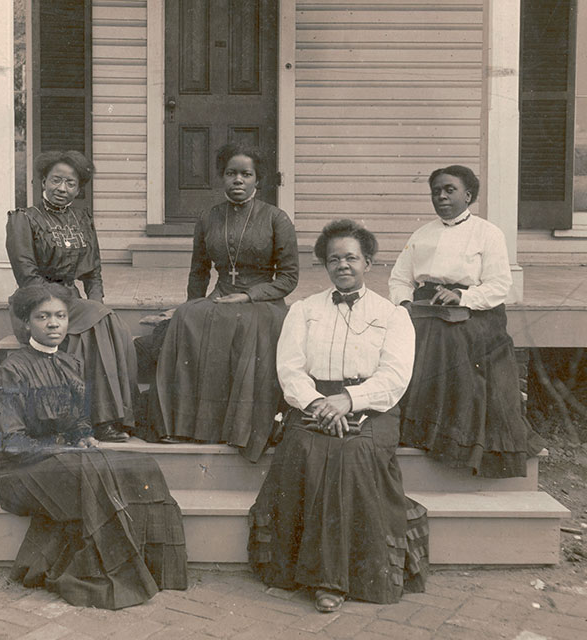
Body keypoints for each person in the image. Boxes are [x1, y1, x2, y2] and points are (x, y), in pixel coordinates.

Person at [249, 220, 428, 611]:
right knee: (305, 448)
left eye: (351, 257)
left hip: (372, 407)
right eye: (334, 259)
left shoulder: (393, 315)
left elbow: (395, 377)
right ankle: (297, 570)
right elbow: (290, 370)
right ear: (324, 266)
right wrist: (317, 404)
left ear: (369, 262)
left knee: (350, 455)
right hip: (313, 403)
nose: (342, 265)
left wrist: (348, 401)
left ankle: (334, 580)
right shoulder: (303, 310)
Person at [0, 283, 188, 609]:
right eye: (43, 317)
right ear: (27, 323)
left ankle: (156, 570)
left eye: (60, 316)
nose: (53, 323)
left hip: (66, 460)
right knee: (92, 475)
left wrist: (84, 436)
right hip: (23, 470)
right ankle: (114, 576)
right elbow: (14, 441)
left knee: (142, 467)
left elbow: (78, 421)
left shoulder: (72, 364)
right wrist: (66, 448)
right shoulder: (11, 370)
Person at [143, 143, 299, 461]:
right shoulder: (209, 217)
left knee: (247, 325)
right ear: (221, 178)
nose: (237, 180)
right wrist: (189, 305)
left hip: (263, 302)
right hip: (220, 296)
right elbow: (198, 271)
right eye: (231, 173)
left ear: (259, 180)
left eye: (246, 174)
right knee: (187, 318)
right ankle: (183, 425)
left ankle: (239, 429)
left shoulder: (276, 218)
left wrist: (250, 294)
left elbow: (288, 279)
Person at [388, 165, 546, 477]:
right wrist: (404, 303)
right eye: (436, 191)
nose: (442, 196)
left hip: (475, 311)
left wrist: (463, 297)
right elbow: (399, 278)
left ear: (468, 195)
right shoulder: (421, 235)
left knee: (449, 339)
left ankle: (454, 438)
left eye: (450, 190)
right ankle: (415, 431)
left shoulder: (487, 233)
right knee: (404, 337)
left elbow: (500, 285)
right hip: (425, 308)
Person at [6, 150, 137, 442]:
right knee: (93, 325)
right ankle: (98, 420)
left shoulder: (81, 219)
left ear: (79, 189)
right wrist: (71, 307)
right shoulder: (24, 219)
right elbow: (26, 276)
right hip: (34, 303)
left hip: (73, 301)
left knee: (107, 322)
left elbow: (93, 273)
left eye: (71, 183)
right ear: (43, 181)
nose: (62, 189)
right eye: (56, 181)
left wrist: (96, 304)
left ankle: (104, 417)